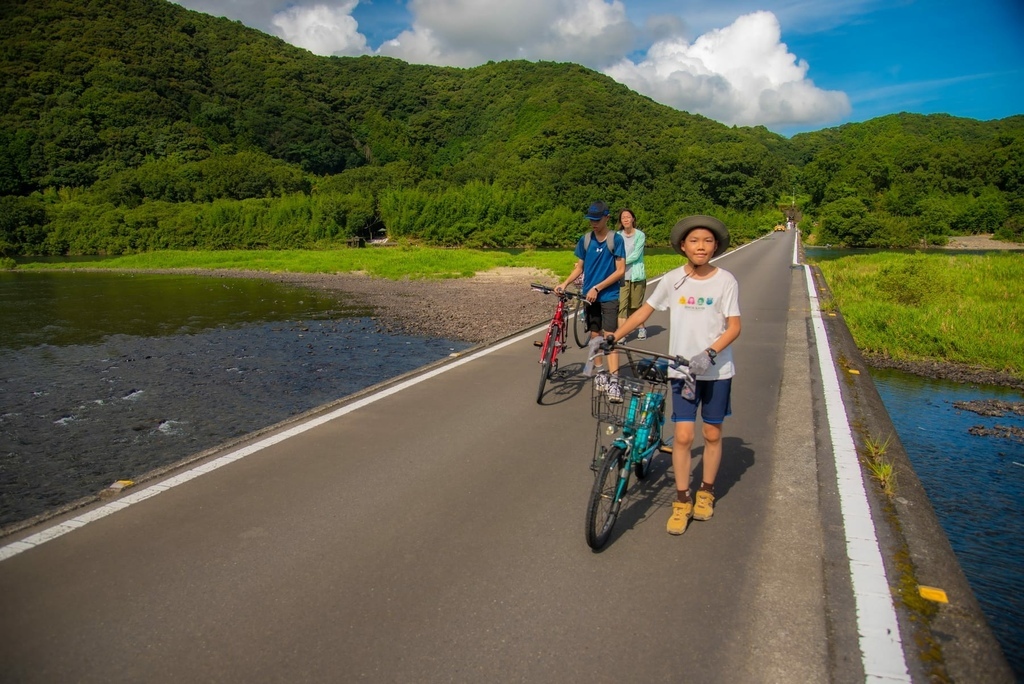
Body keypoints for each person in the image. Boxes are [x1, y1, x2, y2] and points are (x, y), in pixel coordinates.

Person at [608, 215, 741, 535]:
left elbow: (734, 326)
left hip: (717, 371)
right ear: (683, 246)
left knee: (711, 434)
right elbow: (644, 311)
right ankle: (682, 501)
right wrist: (614, 335)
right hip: (682, 372)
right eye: (694, 241)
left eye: (708, 241)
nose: (701, 247)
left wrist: (709, 353)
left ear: (715, 247)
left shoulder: (726, 281)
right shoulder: (672, 280)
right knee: (683, 436)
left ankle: (705, 492)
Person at [556, 201, 626, 402]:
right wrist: (565, 283)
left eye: (597, 219)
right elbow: (579, 268)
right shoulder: (585, 240)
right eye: (591, 220)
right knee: (595, 336)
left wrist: (598, 287)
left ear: (607, 217)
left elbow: (620, 270)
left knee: (611, 337)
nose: (593, 223)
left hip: (609, 295)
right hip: (589, 297)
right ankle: (601, 372)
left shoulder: (616, 240)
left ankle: (614, 381)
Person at [616, 208, 647, 340]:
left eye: (628, 217)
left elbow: (636, 255)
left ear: (633, 219)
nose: (626, 219)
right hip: (621, 276)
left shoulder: (640, 235)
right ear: (621, 221)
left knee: (635, 305)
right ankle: (622, 333)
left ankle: (641, 328)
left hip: (636, 274)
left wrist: (621, 263)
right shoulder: (617, 236)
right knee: (622, 305)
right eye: (623, 218)